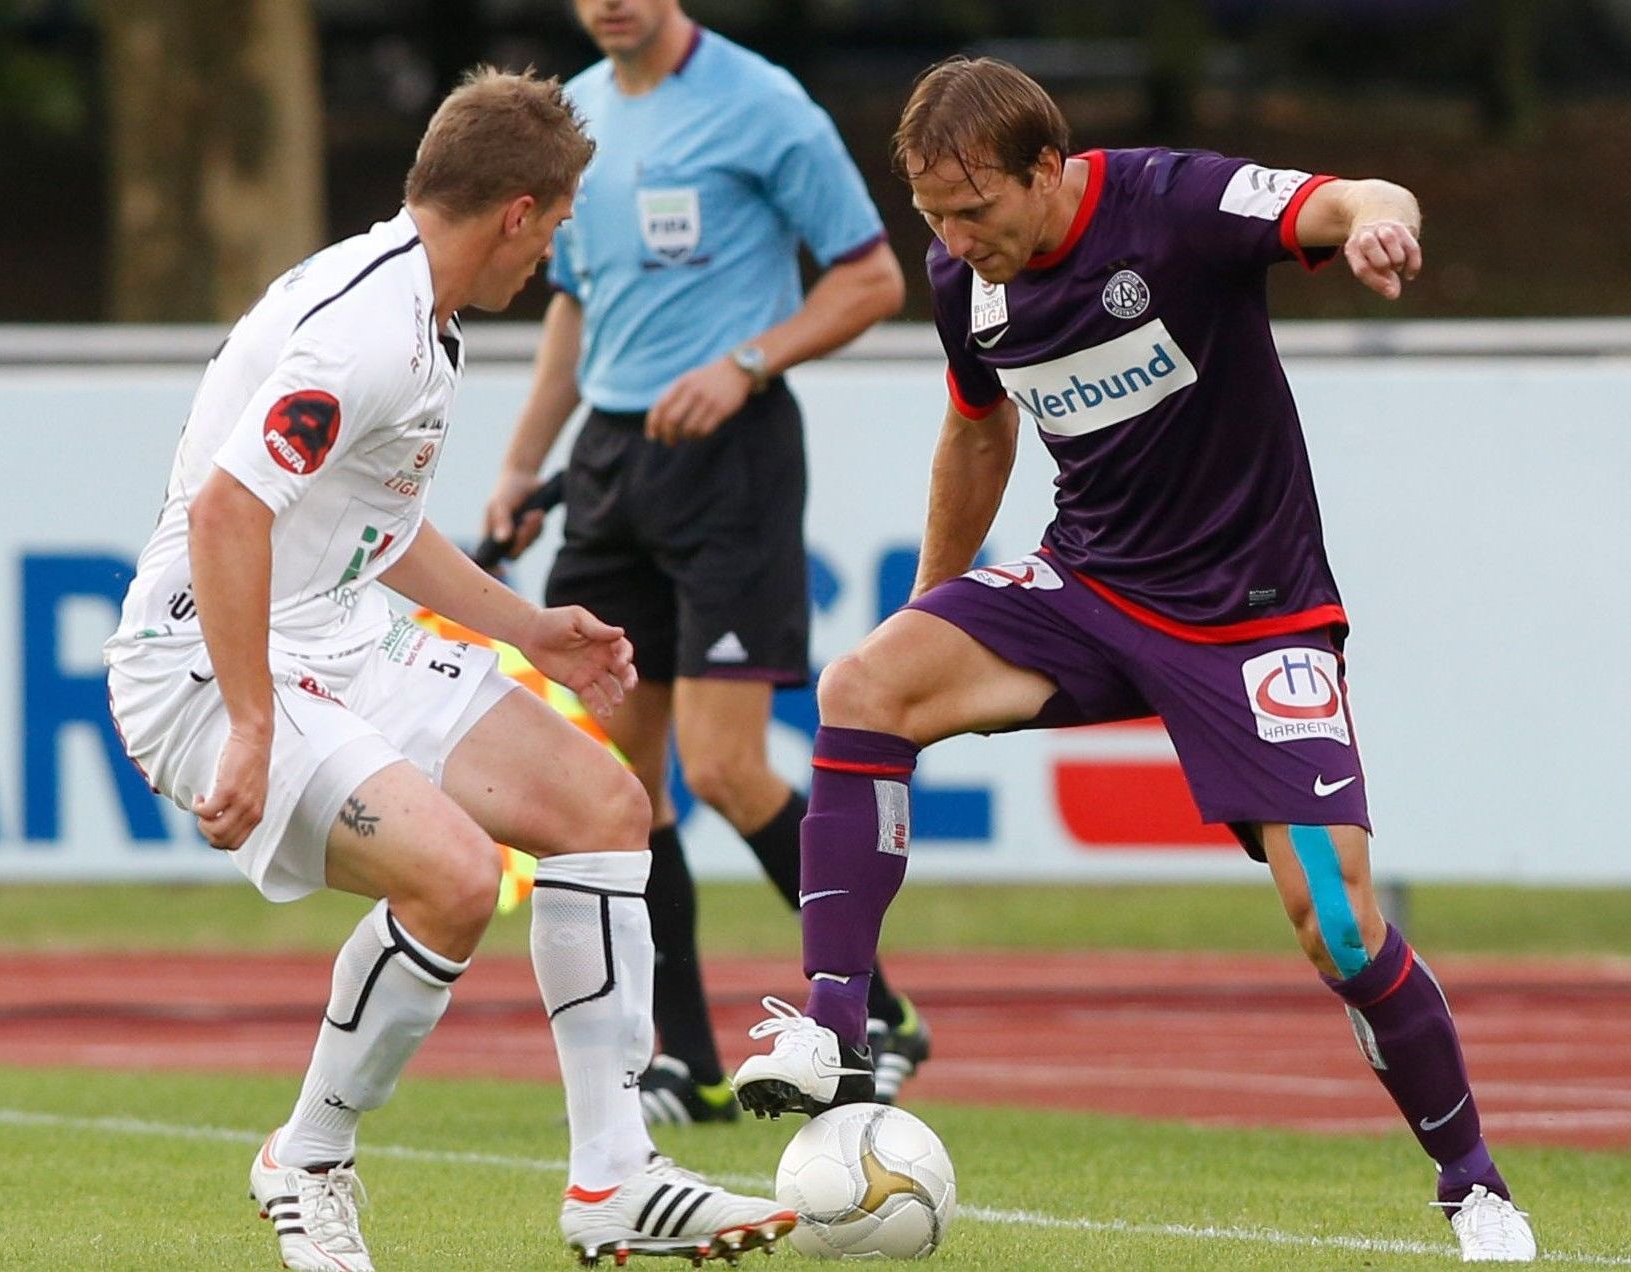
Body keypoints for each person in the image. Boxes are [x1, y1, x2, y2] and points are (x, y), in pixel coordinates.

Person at [730, 56, 1536, 1264]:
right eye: (932, 216)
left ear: (1047, 171)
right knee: (865, 684)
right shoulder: (967, 278)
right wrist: (930, 609)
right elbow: (975, 428)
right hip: (1089, 589)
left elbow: (1361, 193)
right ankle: (836, 1025)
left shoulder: (1172, 204)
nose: (953, 239)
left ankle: (1473, 1188)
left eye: (975, 210)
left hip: (1252, 617)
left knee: (1342, 932)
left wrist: (1375, 227)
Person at [104, 66, 794, 1271]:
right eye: (560, 223)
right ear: (519, 211)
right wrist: (256, 727)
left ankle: (614, 1178)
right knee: (455, 879)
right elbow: (226, 516)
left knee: (604, 810)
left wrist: (526, 631)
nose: (553, 255)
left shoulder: (427, 312)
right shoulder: (368, 329)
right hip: (207, 663)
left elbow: (374, 526)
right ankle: (306, 1160)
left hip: (335, 631)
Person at [484, 0, 928, 1127]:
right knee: (622, 793)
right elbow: (575, 309)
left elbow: (872, 279)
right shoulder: (572, 114)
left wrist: (745, 362)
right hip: (611, 464)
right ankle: (687, 1058)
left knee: (724, 767)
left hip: (733, 456)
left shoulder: (763, 103)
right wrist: (524, 461)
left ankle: (874, 1007)